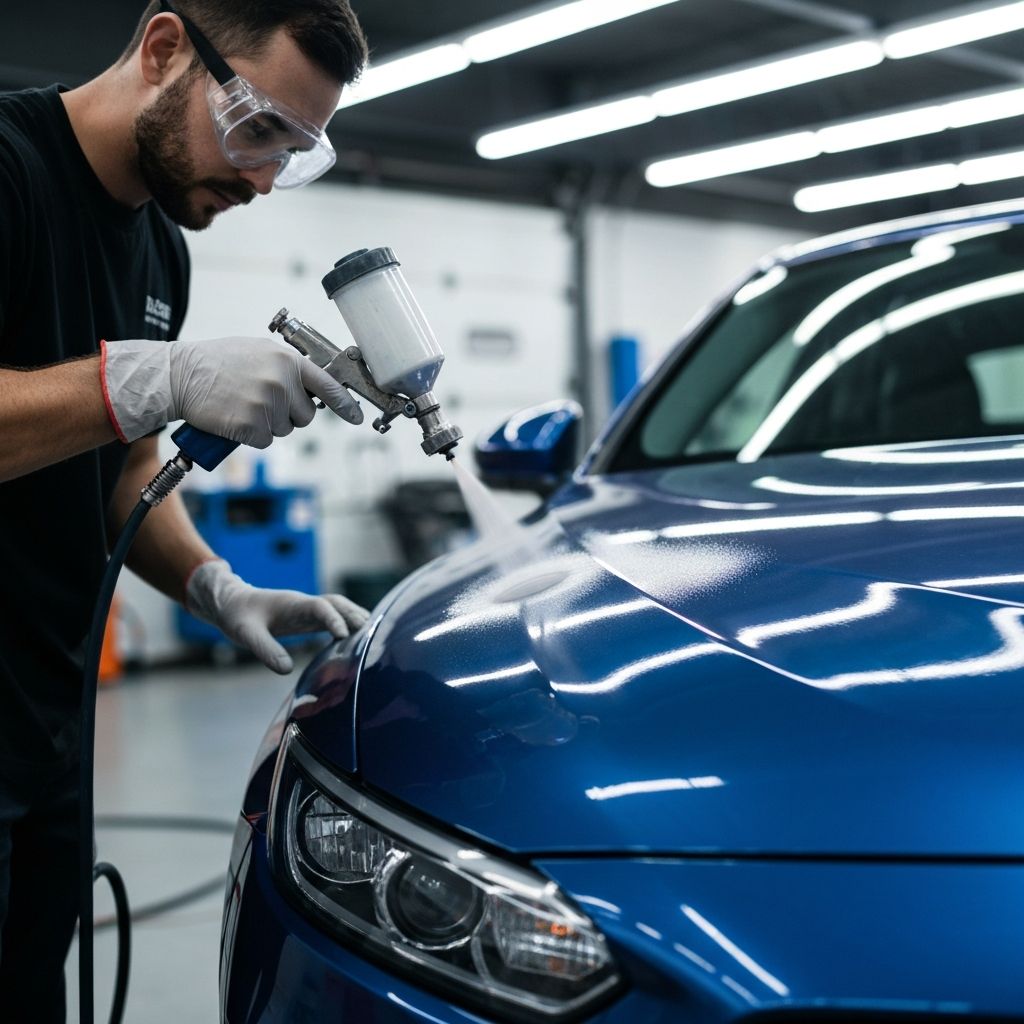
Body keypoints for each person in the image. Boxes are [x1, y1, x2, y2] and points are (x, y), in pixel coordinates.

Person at [0, 1, 369, 1017]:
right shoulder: (10, 173)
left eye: (291, 153)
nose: (262, 179)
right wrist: (153, 377)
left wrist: (218, 587)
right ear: (164, 50)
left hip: (45, 727)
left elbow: (125, 471)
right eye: (257, 128)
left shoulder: (162, 249)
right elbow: (131, 398)